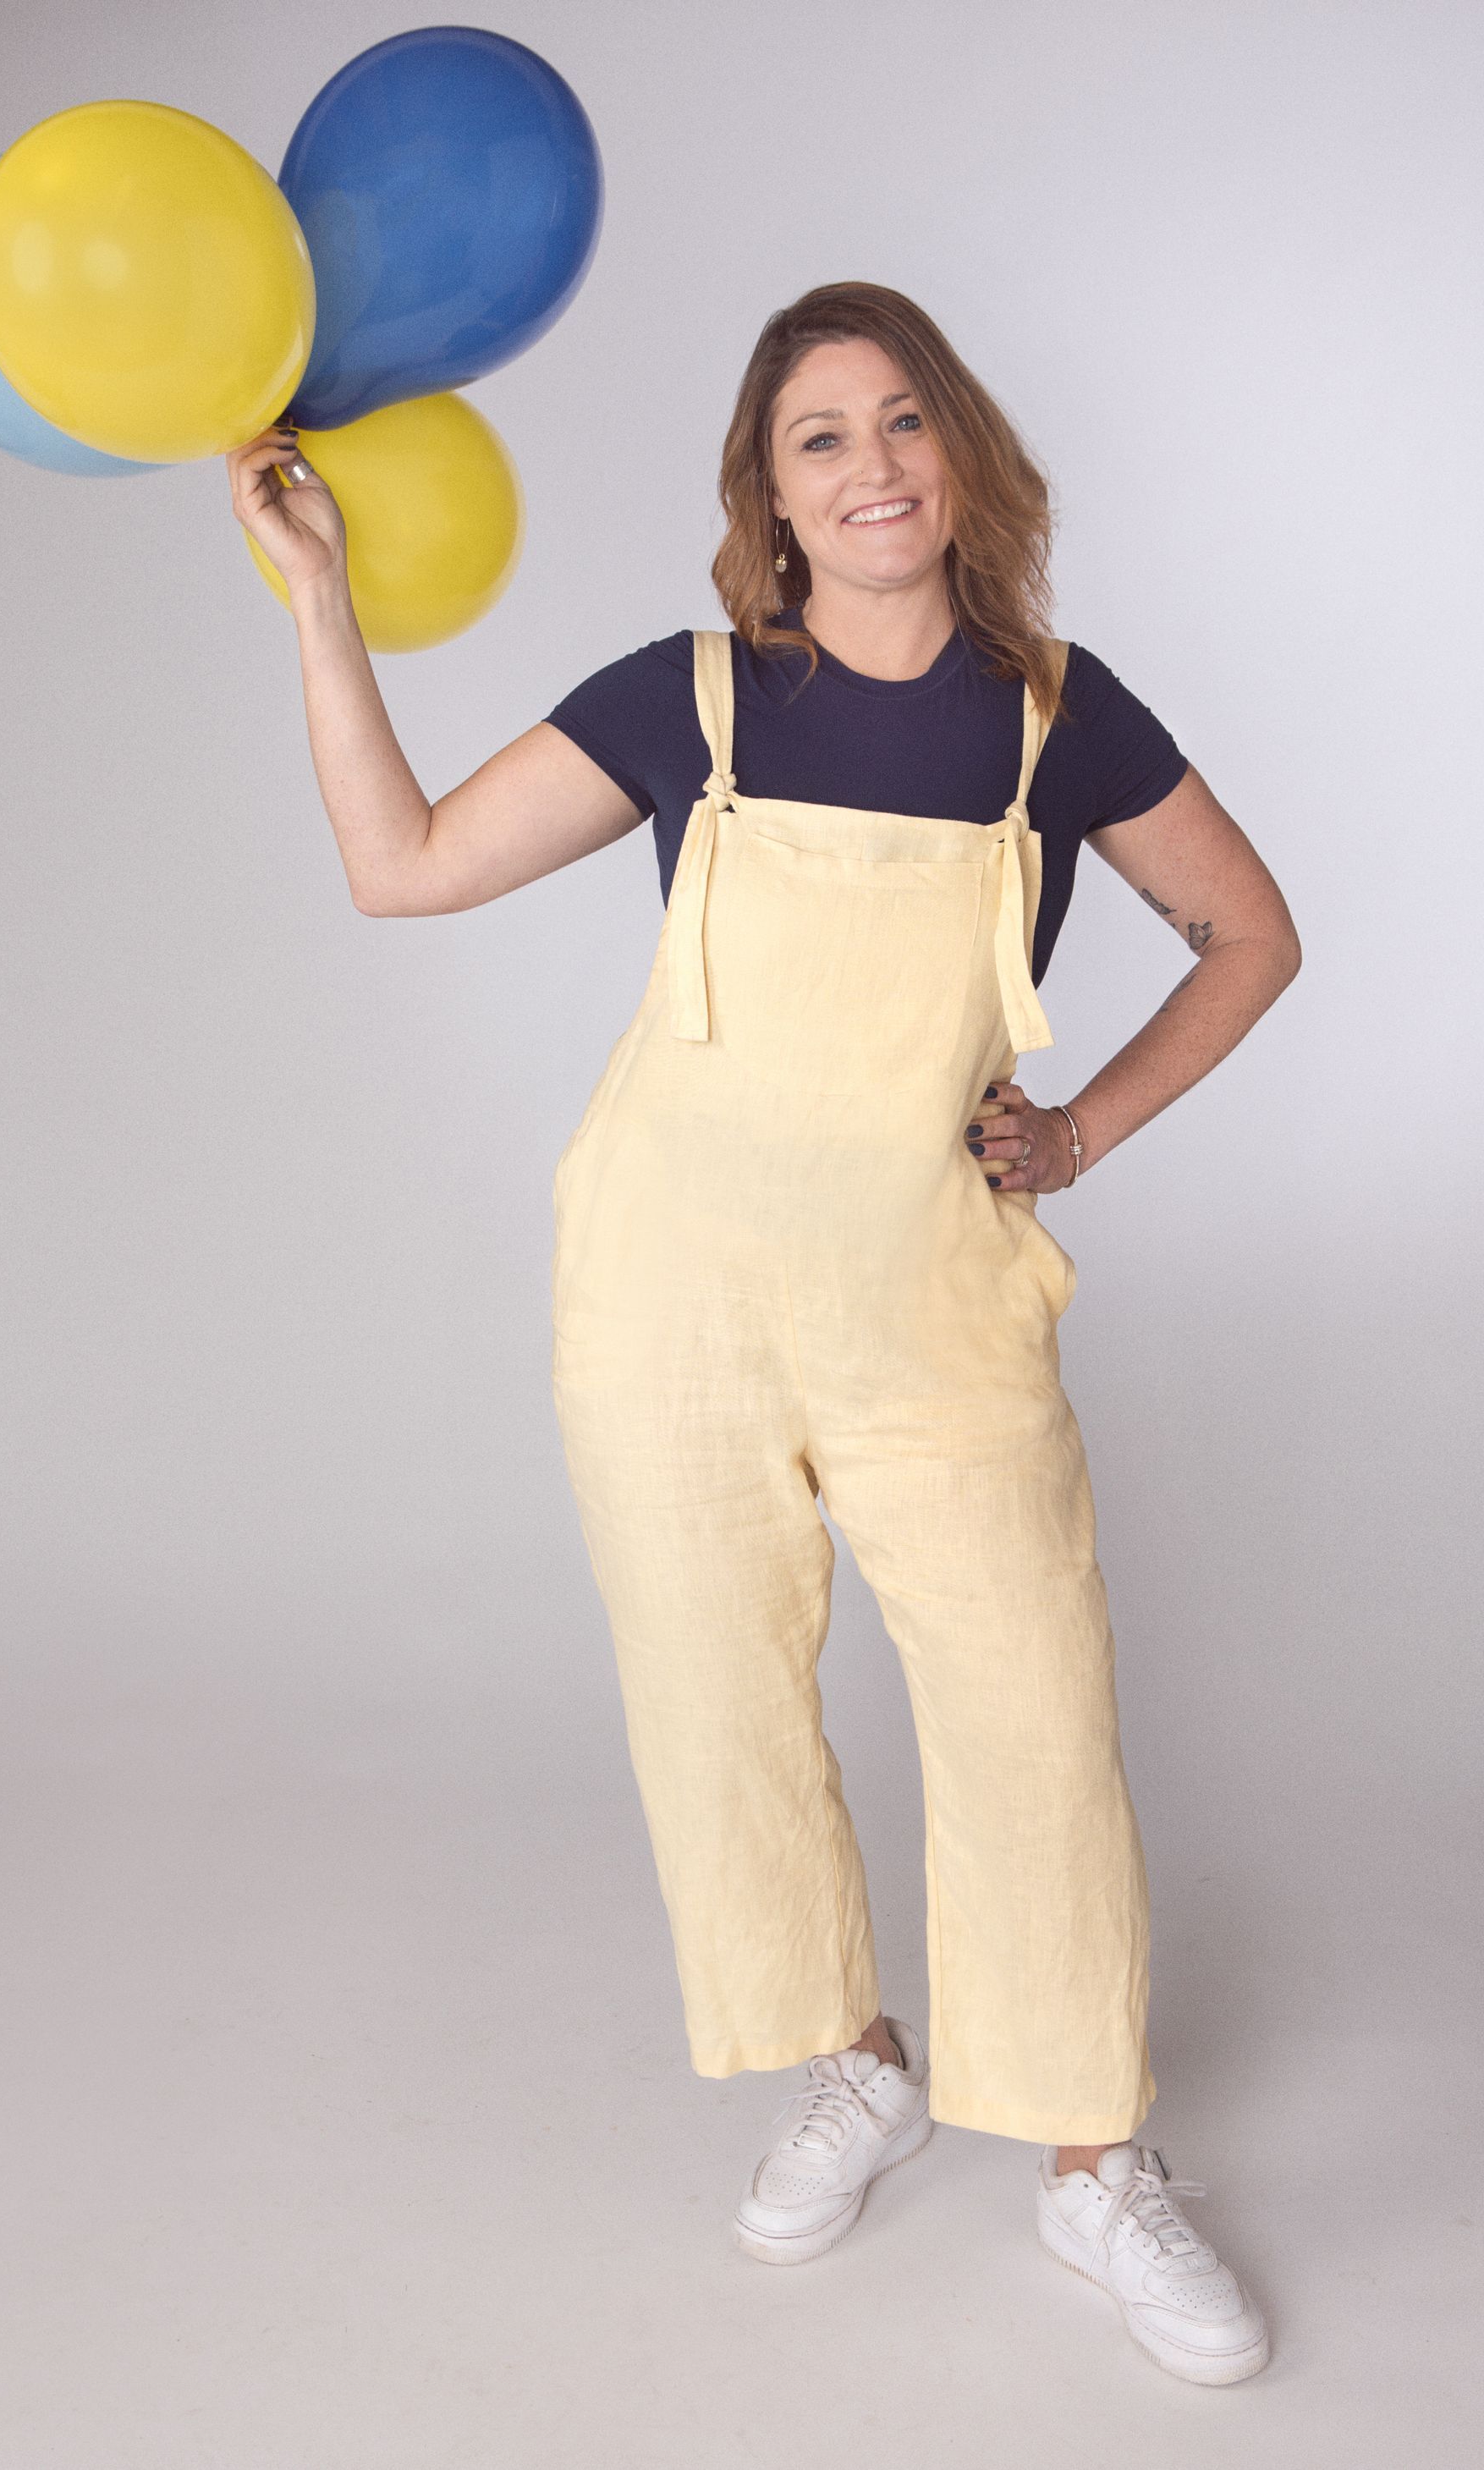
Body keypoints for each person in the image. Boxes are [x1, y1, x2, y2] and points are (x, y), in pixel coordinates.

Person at [227, 281, 1300, 2388]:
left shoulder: (1056, 719)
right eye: (823, 437)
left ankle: (1095, 2163)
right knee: (718, 1706)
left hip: (936, 1312)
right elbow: (405, 862)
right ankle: (855, 2055)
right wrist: (317, 597)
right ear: (771, 496)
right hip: (667, 1302)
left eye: (907, 422)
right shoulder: (690, 698)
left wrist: (1081, 1126)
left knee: (1034, 1721)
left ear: (964, 458)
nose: (876, 464)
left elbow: (1250, 933)